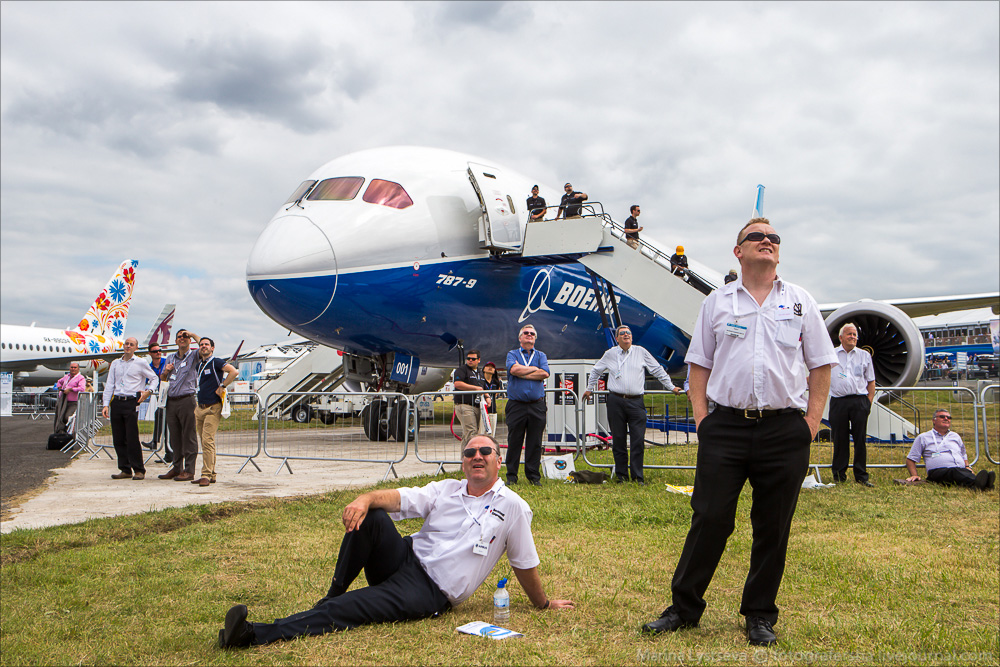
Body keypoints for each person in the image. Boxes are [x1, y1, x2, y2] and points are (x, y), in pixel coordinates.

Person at [641, 218, 837, 647]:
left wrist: (811, 422)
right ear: (739, 251)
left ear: (778, 252)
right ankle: (684, 607)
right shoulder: (717, 302)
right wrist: (702, 421)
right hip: (725, 427)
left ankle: (760, 615)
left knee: (773, 525)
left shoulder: (801, 302)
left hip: (785, 429)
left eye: (774, 239)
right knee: (709, 518)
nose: (767, 242)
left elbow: (821, 364)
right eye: (757, 237)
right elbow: (699, 365)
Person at [217, 433, 574, 648]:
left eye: (485, 452)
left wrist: (542, 604)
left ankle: (253, 636)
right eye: (469, 453)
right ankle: (332, 593)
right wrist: (366, 498)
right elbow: (402, 497)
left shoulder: (513, 506)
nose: (476, 457)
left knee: (349, 611)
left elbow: (523, 562)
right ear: (463, 461)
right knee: (372, 516)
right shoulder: (447, 489)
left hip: (428, 591)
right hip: (403, 557)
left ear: (499, 460)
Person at [582, 325, 681, 484]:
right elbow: (596, 371)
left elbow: (657, 370)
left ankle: (637, 477)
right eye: (622, 333)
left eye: (628, 333)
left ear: (632, 337)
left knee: (637, 440)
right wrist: (589, 389)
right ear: (617, 338)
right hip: (616, 401)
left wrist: (671, 387)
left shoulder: (641, 352)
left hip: (636, 402)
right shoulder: (610, 354)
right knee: (618, 440)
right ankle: (621, 476)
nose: (626, 335)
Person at [102, 337, 160, 480]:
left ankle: (139, 469)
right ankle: (125, 468)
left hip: (131, 401)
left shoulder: (140, 362)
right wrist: (105, 403)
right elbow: (110, 384)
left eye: (131, 344)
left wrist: (149, 391)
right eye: (126, 344)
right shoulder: (116, 363)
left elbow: (154, 378)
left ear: (136, 348)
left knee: (132, 437)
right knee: (118, 437)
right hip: (117, 401)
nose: (128, 346)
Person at [829, 323, 876, 486]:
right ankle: (839, 475)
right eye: (849, 334)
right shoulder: (831, 354)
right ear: (841, 337)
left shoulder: (864, 355)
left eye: (855, 334)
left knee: (860, 439)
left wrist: (868, 403)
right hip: (838, 401)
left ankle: (861, 476)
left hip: (859, 401)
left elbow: (871, 381)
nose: (853, 337)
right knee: (839, 439)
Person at [904, 409, 995, 490]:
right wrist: (914, 475)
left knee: (960, 472)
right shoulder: (923, 437)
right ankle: (982, 484)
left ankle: (981, 485)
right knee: (954, 471)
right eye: (942, 416)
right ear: (934, 420)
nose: (946, 419)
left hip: (960, 470)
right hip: (937, 472)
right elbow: (911, 459)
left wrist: (967, 466)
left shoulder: (955, 436)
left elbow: (963, 453)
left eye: (949, 417)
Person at [505, 324, 549, 486]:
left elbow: (544, 373)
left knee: (535, 442)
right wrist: (533, 370)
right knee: (514, 440)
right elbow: (513, 370)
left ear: (535, 338)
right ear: (520, 338)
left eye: (532, 333)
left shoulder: (541, 355)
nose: (529, 335)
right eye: (526, 333)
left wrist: (522, 371)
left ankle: (533, 476)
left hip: (537, 405)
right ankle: (511, 476)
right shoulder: (512, 353)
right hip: (516, 405)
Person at [193, 337, 238, 486]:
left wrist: (223, 386)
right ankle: (211, 473)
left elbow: (233, 372)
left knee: (207, 440)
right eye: (201, 345)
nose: (203, 346)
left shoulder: (216, 362)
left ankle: (206, 474)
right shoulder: (200, 365)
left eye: (206, 345)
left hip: (213, 407)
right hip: (200, 407)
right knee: (204, 441)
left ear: (212, 348)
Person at [158, 330, 200, 482]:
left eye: (185, 337)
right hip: (172, 400)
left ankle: (189, 470)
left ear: (190, 341)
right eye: (179, 337)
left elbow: (203, 345)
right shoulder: (170, 358)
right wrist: (165, 372)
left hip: (186, 399)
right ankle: (177, 467)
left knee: (189, 435)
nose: (182, 339)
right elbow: (163, 379)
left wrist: (192, 334)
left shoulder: (194, 355)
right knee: (174, 436)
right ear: (176, 341)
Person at [453, 349, 486, 441]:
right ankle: (471, 454)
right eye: (468, 358)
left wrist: (487, 396)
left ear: (478, 360)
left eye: (473, 359)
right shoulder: (461, 370)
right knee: (471, 432)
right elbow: (458, 384)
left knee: (468, 434)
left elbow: (483, 387)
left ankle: (465, 454)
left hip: (477, 405)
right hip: (465, 405)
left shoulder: (480, 372)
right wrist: (475, 388)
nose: (470, 360)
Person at [142, 344, 167, 454]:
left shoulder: (166, 362)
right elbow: (146, 381)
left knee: (164, 418)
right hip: (160, 396)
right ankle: (163, 448)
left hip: (169, 394)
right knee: (160, 416)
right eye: (155, 351)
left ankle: (158, 443)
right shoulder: (149, 367)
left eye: (159, 350)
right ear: (150, 353)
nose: (158, 352)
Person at [54, 362, 86, 435]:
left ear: (78, 369)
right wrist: (60, 387)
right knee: (60, 417)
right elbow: (59, 382)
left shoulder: (80, 378)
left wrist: (71, 389)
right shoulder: (66, 376)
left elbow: (82, 388)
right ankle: (60, 432)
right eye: (71, 367)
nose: (73, 369)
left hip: (73, 402)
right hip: (63, 401)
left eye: (75, 367)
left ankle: (69, 432)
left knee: (67, 417)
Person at [482, 361, 504, 434]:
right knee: (481, 433)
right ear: (483, 369)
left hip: (492, 410)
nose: (490, 368)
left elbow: (496, 393)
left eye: (492, 367)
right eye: (488, 366)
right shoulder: (480, 381)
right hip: (482, 410)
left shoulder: (496, 382)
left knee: (491, 433)